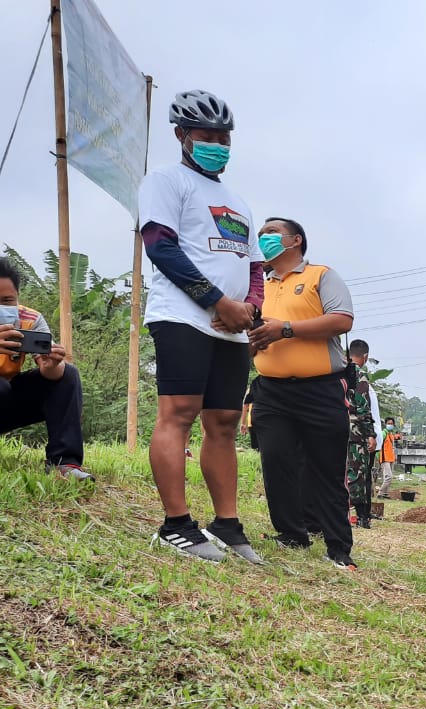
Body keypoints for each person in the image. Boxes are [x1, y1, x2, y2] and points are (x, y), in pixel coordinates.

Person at [138, 90, 262, 563]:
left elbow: (254, 266)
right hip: (182, 316)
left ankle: (226, 523)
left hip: (231, 327)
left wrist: (248, 308)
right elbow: (160, 246)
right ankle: (176, 525)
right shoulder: (165, 181)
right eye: (207, 136)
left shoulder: (238, 202)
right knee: (180, 413)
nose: (217, 144)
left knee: (225, 422)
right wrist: (216, 301)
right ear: (181, 135)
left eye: (224, 137)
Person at [249, 216, 358, 570]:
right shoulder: (257, 285)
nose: (263, 238)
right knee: (276, 462)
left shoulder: (321, 276)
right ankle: (291, 533)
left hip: (320, 389)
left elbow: (342, 319)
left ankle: (338, 546)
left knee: (326, 468)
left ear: (295, 240)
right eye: (260, 234)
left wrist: (286, 329)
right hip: (271, 392)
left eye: (271, 233)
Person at [0, 259, 91, 480]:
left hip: (5, 401)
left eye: (7, 300)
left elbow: (52, 375)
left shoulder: (30, 320)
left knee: (67, 373)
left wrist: (52, 365)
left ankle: (64, 463)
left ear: (17, 297)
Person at [345, 340, 378, 535]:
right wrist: (371, 434)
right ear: (365, 357)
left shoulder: (336, 371)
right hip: (356, 433)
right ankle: (362, 517)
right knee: (358, 475)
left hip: (335, 430)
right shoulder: (359, 376)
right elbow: (363, 408)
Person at [378, 416, 401, 498]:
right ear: (385, 424)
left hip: (391, 458)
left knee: (387, 477)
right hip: (385, 458)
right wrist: (378, 457)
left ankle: (385, 494)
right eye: (388, 423)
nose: (390, 425)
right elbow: (378, 445)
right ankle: (380, 493)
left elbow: (392, 444)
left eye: (391, 423)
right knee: (389, 477)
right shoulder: (383, 433)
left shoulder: (390, 434)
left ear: (393, 425)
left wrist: (397, 436)